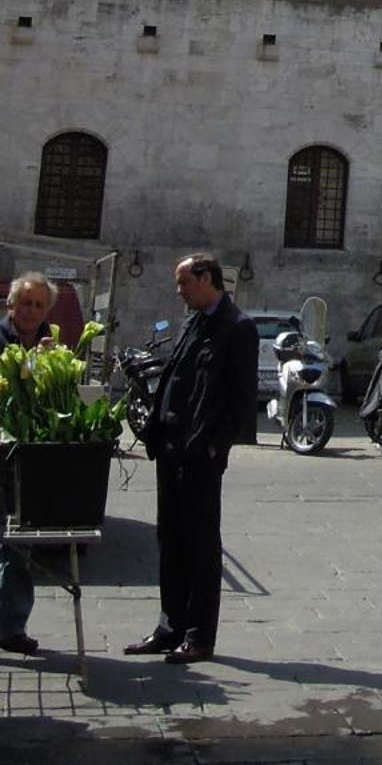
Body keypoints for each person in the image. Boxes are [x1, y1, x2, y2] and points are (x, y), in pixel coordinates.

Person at [124, 253, 257, 665]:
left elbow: (240, 399)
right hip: (171, 448)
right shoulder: (193, 321)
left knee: (200, 544)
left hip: (200, 453)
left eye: (184, 282)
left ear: (205, 278)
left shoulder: (237, 327)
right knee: (170, 540)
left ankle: (199, 636)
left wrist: (215, 446)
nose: (179, 291)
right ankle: (170, 628)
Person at [0, 275, 58, 657]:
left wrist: (47, 362)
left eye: (38, 305)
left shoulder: (48, 344)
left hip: (25, 456)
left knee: (18, 543)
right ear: (11, 305)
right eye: (25, 304)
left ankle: (11, 627)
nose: (31, 311)